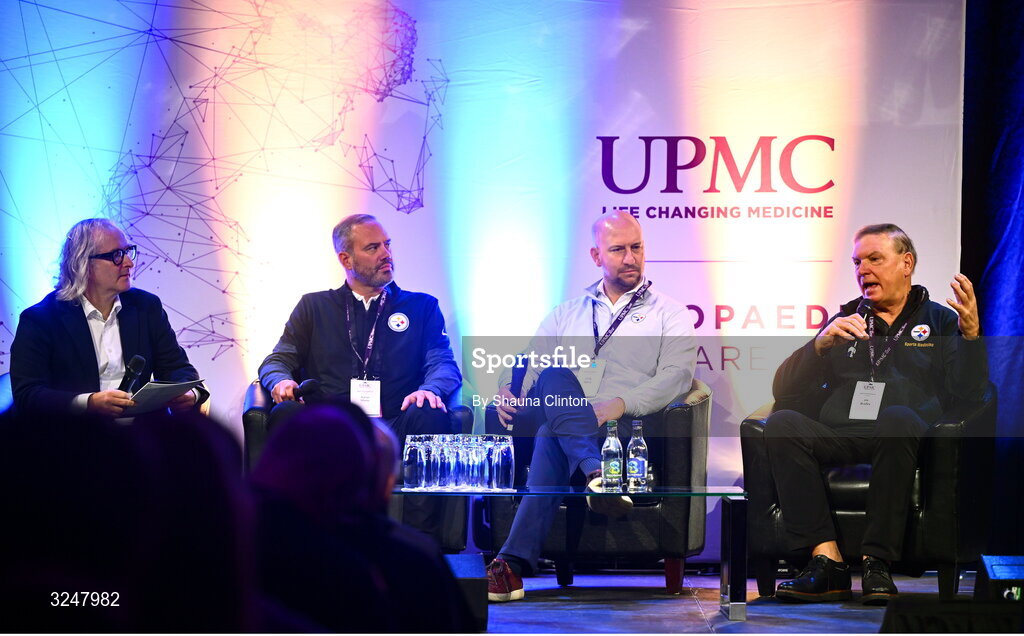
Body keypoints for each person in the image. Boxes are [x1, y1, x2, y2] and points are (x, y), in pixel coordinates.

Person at [765, 223, 989, 605]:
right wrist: (818, 346)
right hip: (841, 432)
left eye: (874, 259)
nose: (862, 270)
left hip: (904, 435)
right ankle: (827, 561)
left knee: (898, 417)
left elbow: (969, 393)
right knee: (782, 424)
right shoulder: (844, 321)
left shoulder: (939, 321)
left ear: (906, 263)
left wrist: (970, 338)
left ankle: (877, 562)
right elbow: (783, 391)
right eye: (856, 262)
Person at [485, 210, 697, 603]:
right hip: (576, 422)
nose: (631, 258)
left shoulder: (670, 313)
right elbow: (529, 358)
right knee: (553, 376)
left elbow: (677, 377)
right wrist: (505, 389)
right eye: (618, 250)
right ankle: (597, 475)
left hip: (628, 429)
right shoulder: (569, 312)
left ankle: (510, 565)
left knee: (553, 430)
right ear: (597, 256)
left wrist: (621, 403)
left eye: (637, 248)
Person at [258, 213, 461, 538]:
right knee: (286, 413)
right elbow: (278, 359)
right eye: (373, 248)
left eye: (387, 245)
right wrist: (280, 380)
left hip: (396, 421)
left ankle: (420, 542)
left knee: (430, 412)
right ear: (345, 258)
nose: (386, 254)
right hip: (333, 425)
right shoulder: (314, 307)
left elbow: (443, 363)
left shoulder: (421, 307)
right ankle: (293, 537)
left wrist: (431, 389)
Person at [10, 218, 207, 417]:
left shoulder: (146, 307)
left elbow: (177, 368)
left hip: (143, 437)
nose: (129, 263)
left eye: (128, 251)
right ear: (83, 264)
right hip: (77, 437)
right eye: (116, 255)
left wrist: (190, 393)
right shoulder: (41, 320)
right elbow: (28, 394)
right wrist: (89, 403)